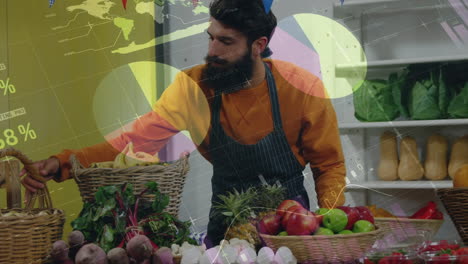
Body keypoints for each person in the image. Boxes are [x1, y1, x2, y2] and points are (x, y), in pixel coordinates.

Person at [21, 0, 346, 246]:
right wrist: (62, 162)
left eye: (226, 42)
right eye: (211, 38)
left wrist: (329, 223)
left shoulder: (302, 88)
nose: (212, 51)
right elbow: (133, 143)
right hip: (225, 232)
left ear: (258, 46)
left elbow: (329, 165)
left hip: (291, 232)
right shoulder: (194, 87)